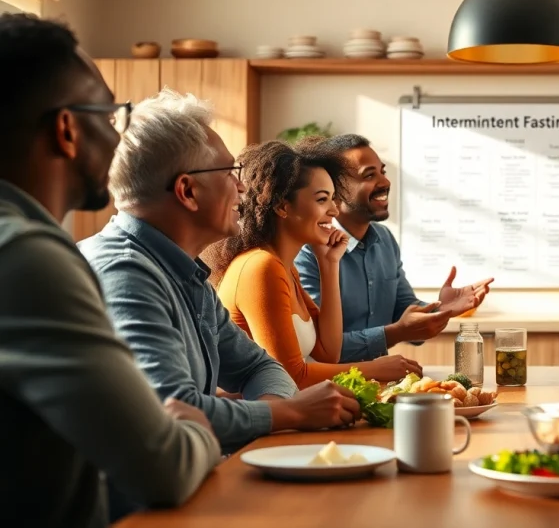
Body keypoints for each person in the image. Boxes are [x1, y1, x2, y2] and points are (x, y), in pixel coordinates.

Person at [0, 14, 220, 527]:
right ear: (67, 129)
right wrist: (201, 432)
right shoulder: (28, 257)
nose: (120, 137)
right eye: (111, 115)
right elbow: (162, 465)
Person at [78, 89, 361, 452]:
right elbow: (171, 411)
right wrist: (287, 415)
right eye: (230, 172)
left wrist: (272, 410)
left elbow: (260, 367)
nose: (243, 185)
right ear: (188, 191)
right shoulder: (124, 273)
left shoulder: (186, 273)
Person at [202, 140, 424, 387]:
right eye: (322, 200)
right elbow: (288, 377)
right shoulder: (261, 266)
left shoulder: (284, 267)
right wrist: (374, 369)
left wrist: (329, 264)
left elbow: (329, 352)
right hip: (254, 416)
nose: (334, 211)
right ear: (282, 206)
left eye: (332, 199)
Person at [294, 134, 493, 362]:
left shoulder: (384, 239)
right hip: (322, 389)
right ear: (333, 191)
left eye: (382, 172)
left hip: (375, 385)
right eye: (369, 175)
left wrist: (440, 308)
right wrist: (396, 332)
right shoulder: (309, 251)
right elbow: (318, 346)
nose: (385, 182)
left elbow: (404, 309)